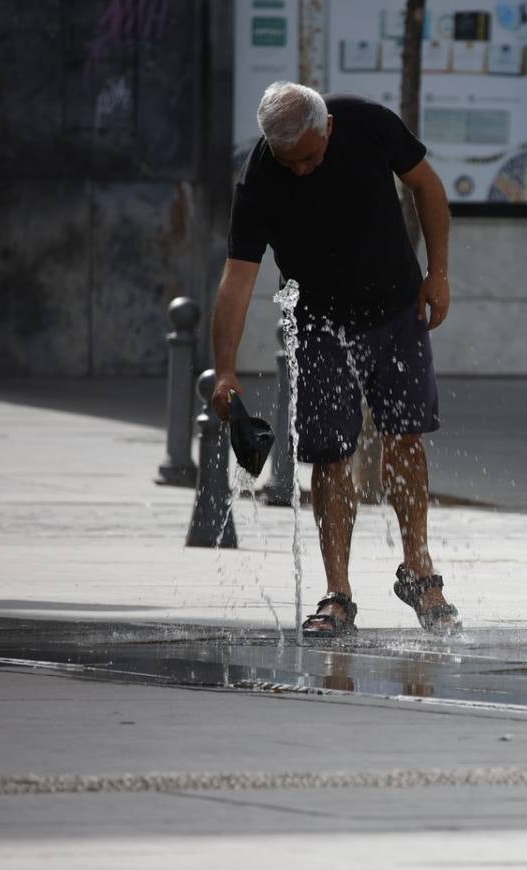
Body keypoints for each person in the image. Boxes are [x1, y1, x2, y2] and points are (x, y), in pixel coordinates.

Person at [210, 82, 455, 636]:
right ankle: (337, 593)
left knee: (406, 438)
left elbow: (427, 185)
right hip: (320, 325)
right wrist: (224, 368)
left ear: (328, 130)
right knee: (329, 455)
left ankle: (419, 569)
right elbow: (237, 279)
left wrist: (438, 272)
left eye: (310, 159)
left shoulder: (368, 123)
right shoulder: (260, 180)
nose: (299, 171)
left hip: (396, 309)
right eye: (287, 162)